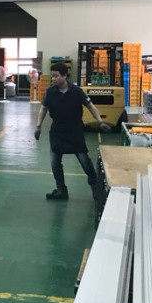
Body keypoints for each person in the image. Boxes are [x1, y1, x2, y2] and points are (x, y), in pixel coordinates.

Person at [34, 62, 111, 200]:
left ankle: (96, 187)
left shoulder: (76, 91)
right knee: (55, 162)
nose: (53, 79)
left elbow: (90, 106)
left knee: (85, 161)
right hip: (57, 132)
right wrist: (38, 126)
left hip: (75, 132)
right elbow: (44, 108)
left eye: (56, 76)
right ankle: (61, 190)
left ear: (64, 76)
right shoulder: (50, 92)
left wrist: (100, 122)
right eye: (52, 76)